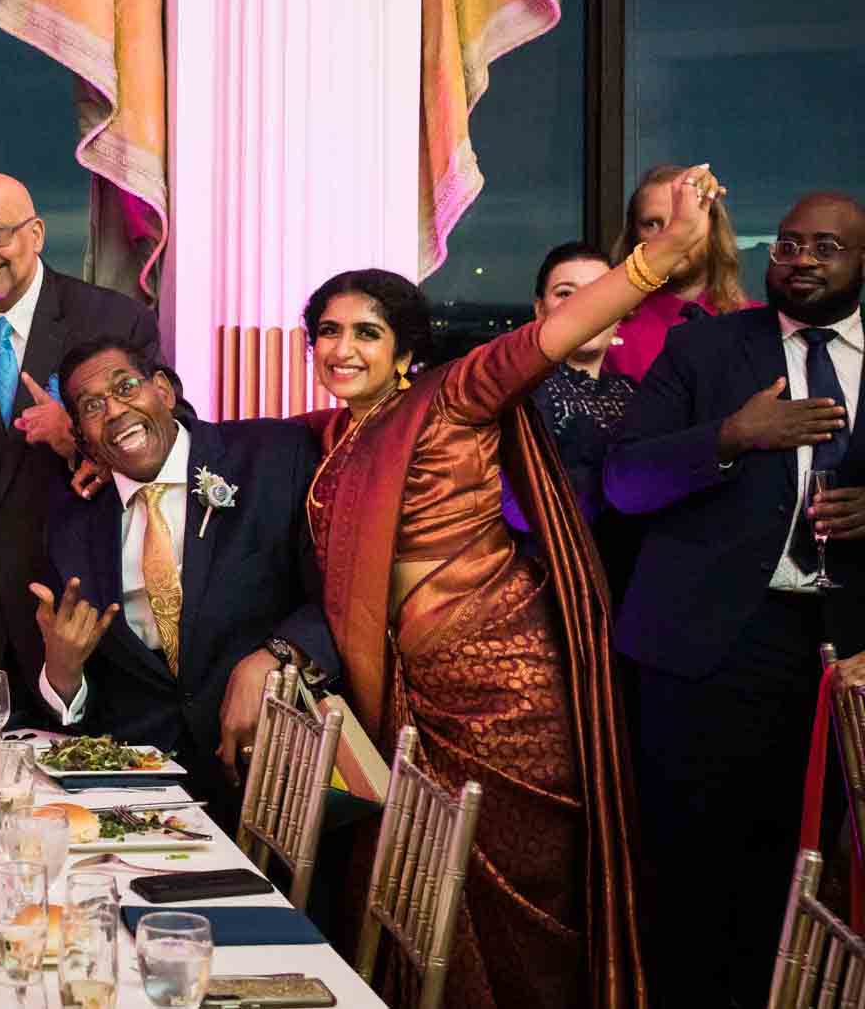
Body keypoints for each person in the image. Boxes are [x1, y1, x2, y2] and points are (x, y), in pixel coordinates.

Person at [297, 169, 722, 1009]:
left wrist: (654, 259)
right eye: (327, 332)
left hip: (503, 690)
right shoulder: (341, 435)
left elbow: (550, 337)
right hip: (417, 695)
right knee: (420, 896)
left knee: (522, 893)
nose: (343, 348)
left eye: (367, 332)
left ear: (407, 350)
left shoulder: (451, 396)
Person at [606, 191, 865, 1009]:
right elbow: (622, 479)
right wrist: (731, 436)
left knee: (822, 880)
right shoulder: (705, 350)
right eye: (788, 244)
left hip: (844, 652)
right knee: (698, 880)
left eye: (826, 246)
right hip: (708, 653)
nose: (801, 260)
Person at [31, 339, 337, 805]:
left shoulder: (271, 457)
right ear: (82, 438)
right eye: (93, 406)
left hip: (270, 775)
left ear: (165, 391)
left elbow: (342, 592)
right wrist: (62, 673)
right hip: (140, 798)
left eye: (126, 387)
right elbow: (82, 703)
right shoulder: (71, 523)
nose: (114, 410)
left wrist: (272, 657)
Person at [0, 173, 162, 703]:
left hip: (77, 617)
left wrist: (77, 440)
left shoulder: (113, 321)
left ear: (36, 234)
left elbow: (164, 447)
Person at [498, 243, 639, 546]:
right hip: (547, 576)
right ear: (539, 309)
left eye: (599, 293)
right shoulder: (518, 393)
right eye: (565, 293)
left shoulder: (635, 393)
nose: (584, 307)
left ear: (621, 309)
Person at [603, 162, 748, 382]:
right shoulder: (606, 329)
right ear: (633, 235)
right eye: (652, 223)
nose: (671, 234)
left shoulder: (757, 325)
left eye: (685, 220)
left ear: (713, 230)